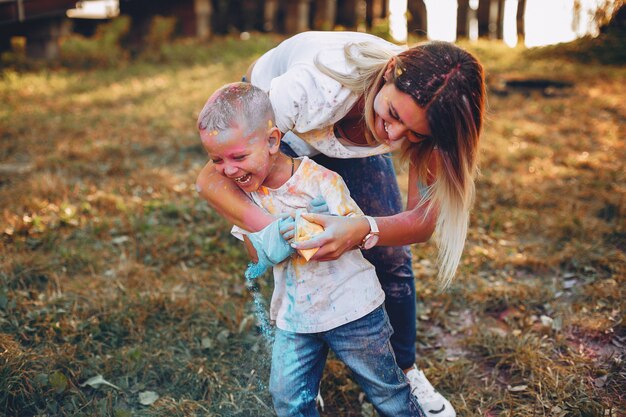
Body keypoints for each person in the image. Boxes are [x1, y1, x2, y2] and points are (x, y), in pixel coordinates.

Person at [196, 31, 485, 417]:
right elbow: (211, 181)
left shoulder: (429, 117)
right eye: (395, 116)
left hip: (337, 131)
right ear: (388, 73)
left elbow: (421, 221)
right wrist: (274, 230)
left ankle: (402, 369)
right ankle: (302, 374)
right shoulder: (311, 86)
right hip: (290, 124)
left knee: (393, 259)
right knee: (294, 260)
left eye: (415, 134)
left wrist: (363, 229)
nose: (395, 135)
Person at [197, 82, 427, 417]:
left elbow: (354, 231)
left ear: (273, 141)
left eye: (239, 157)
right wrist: (270, 242)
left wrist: (326, 222)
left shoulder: (321, 180)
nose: (228, 170)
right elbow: (255, 257)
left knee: (387, 392)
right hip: (294, 317)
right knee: (289, 398)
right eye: (216, 160)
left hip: (353, 309)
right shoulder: (244, 196)